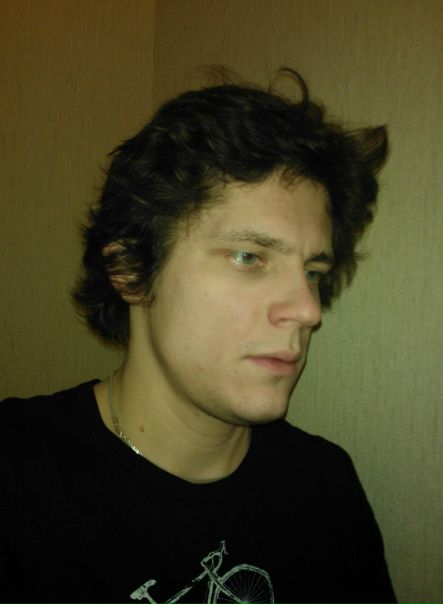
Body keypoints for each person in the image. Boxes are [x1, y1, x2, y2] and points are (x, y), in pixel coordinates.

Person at [0, 69, 398, 603]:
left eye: (313, 272)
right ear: (130, 269)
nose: (308, 310)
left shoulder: (325, 485)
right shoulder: (17, 477)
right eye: (249, 257)